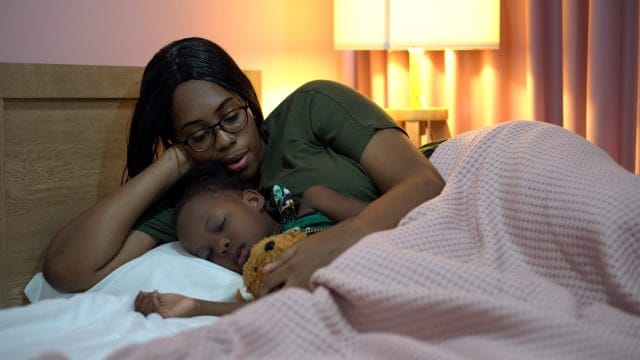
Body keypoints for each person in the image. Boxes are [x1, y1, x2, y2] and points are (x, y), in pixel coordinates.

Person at [43, 36, 445, 297]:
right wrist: (175, 160)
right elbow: (66, 270)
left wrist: (337, 241)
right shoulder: (199, 208)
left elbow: (426, 183)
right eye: (199, 134)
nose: (223, 141)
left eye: (230, 117)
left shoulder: (310, 108)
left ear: (246, 100)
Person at [135, 161, 367, 318]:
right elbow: (264, 310)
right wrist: (196, 306)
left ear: (253, 200)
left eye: (220, 225)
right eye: (208, 255)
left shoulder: (315, 201)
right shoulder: (264, 277)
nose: (220, 247)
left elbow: (386, 220)